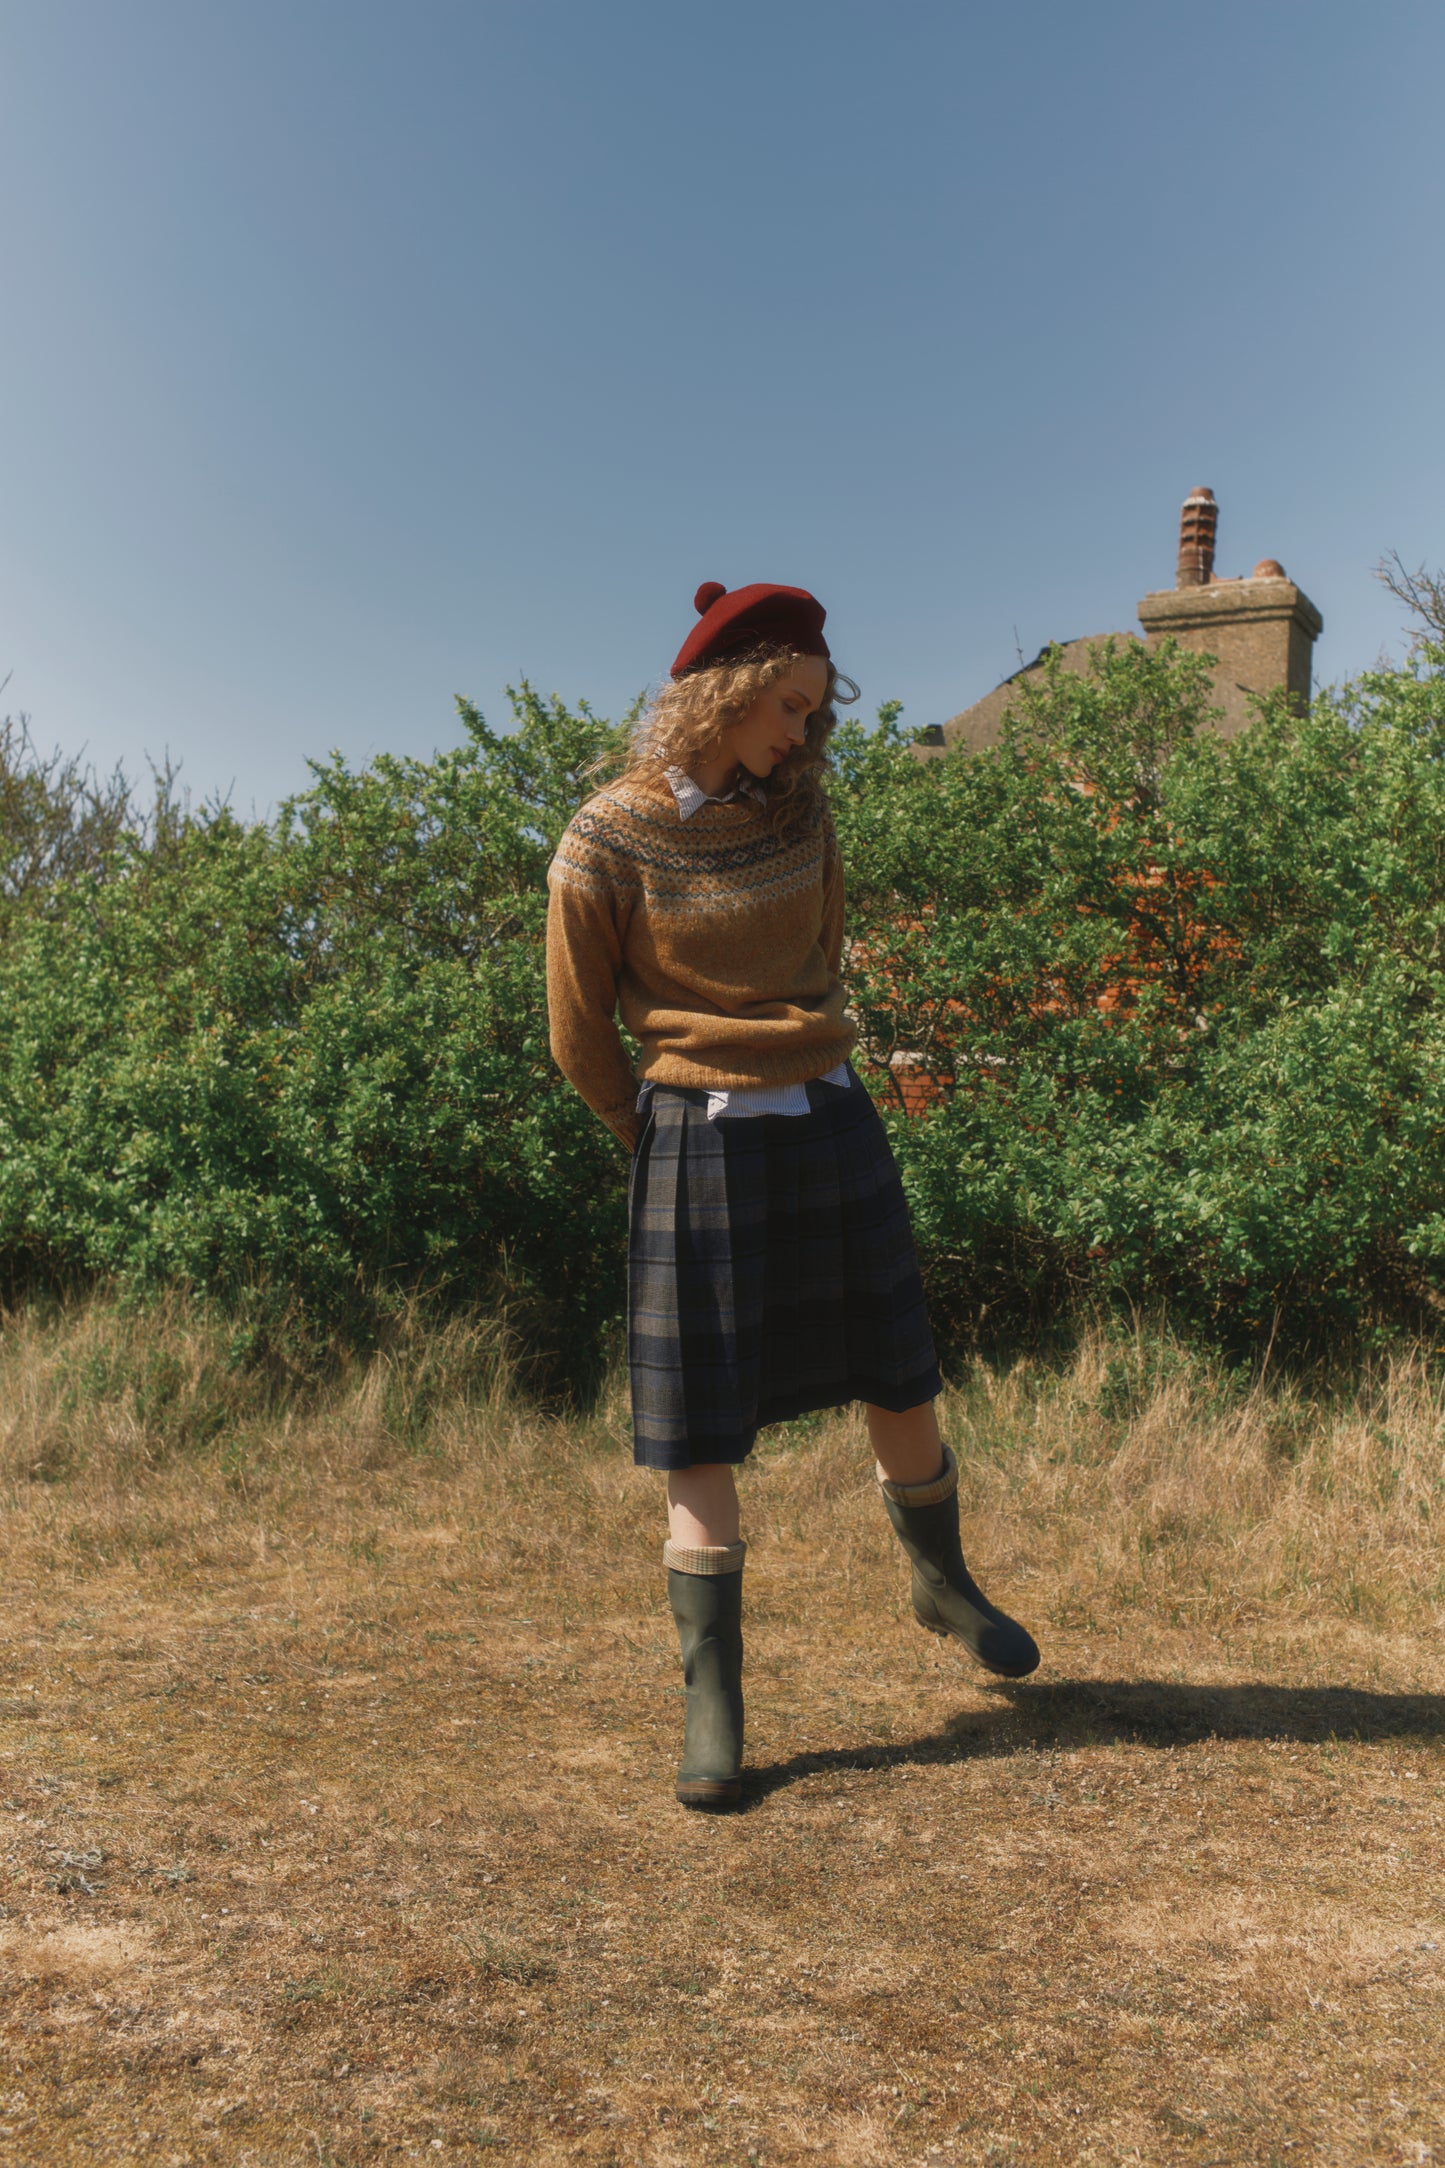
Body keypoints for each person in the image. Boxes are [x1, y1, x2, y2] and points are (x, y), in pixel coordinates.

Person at [545, 580, 1039, 1809]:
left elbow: (818, 961)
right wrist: (640, 1131)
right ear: (721, 692)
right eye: (787, 704)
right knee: (699, 1422)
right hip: (691, 1135)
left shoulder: (805, 815)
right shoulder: (605, 839)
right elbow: (576, 1029)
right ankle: (715, 1708)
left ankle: (941, 1581)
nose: (801, 732)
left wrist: (797, 1054)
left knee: (897, 1363)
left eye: (814, 711)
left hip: (825, 1111)